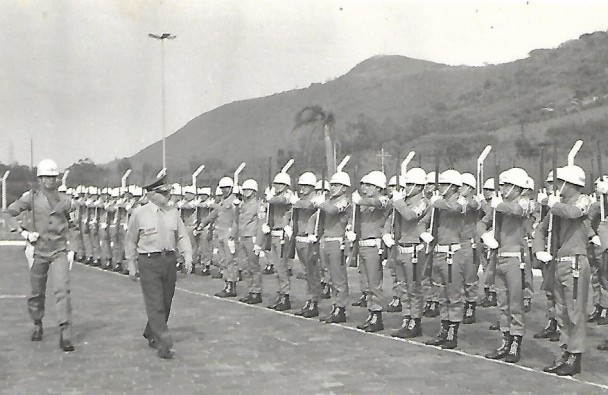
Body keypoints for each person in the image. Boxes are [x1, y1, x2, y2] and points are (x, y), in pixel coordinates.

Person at [4, 159, 76, 352]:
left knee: (62, 291)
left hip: (59, 250)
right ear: (40, 178)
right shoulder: (31, 198)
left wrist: (73, 249)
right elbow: (7, 213)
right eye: (46, 177)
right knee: (37, 292)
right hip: (39, 250)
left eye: (53, 177)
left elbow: (74, 225)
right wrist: (24, 232)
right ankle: (37, 323)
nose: (49, 181)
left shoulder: (65, 200)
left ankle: (65, 332)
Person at [124, 172, 193, 360]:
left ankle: (151, 331)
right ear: (151, 194)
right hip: (148, 261)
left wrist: (187, 255)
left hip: (169, 260)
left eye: (168, 192)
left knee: (165, 301)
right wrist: (131, 264)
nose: (168, 196)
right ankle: (164, 341)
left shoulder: (173, 212)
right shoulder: (139, 214)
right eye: (163, 193)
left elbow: (182, 235)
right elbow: (130, 240)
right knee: (155, 302)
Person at [534, 165, 592, 376]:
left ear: (571, 184)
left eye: (560, 183)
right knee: (561, 313)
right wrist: (539, 251)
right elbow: (540, 230)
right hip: (559, 262)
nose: (557, 186)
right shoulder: (557, 205)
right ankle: (566, 352)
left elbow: (573, 213)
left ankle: (575, 356)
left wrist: (554, 205)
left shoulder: (582, 200)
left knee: (575, 312)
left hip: (576, 262)